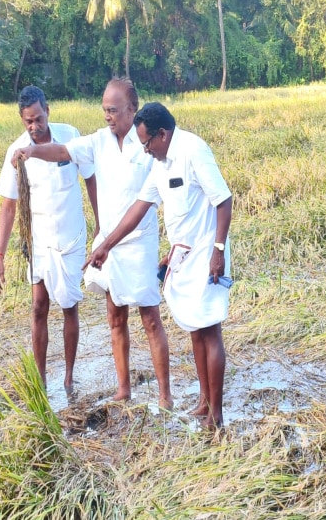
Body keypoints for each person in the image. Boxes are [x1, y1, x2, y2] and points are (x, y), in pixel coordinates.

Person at [12, 79, 173, 410]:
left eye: (113, 110)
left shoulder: (146, 146)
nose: (107, 117)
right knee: (115, 316)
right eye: (104, 111)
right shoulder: (98, 141)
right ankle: (123, 388)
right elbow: (63, 151)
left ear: (132, 109)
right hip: (107, 245)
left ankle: (165, 395)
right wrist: (32, 151)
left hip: (138, 243)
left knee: (150, 318)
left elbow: (164, 196)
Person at [84, 102, 233, 430]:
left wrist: (218, 251)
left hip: (208, 254)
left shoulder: (194, 150)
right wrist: (105, 246)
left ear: (162, 134)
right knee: (195, 330)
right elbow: (139, 207)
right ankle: (204, 401)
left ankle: (217, 415)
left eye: (147, 142)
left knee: (210, 331)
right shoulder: (160, 163)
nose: (145, 150)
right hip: (183, 255)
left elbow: (223, 200)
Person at [0, 85, 99, 391]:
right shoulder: (16, 153)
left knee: (69, 305)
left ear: (47, 110)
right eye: (28, 121)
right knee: (39, 305)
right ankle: (40, 378)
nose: (34, 126)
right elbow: (9, 206)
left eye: (38, 118)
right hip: (39, 238)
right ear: (21, 119)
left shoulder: (70, 136)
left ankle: (68, 376)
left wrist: (99, 223)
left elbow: (90, 179)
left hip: (71, 236)